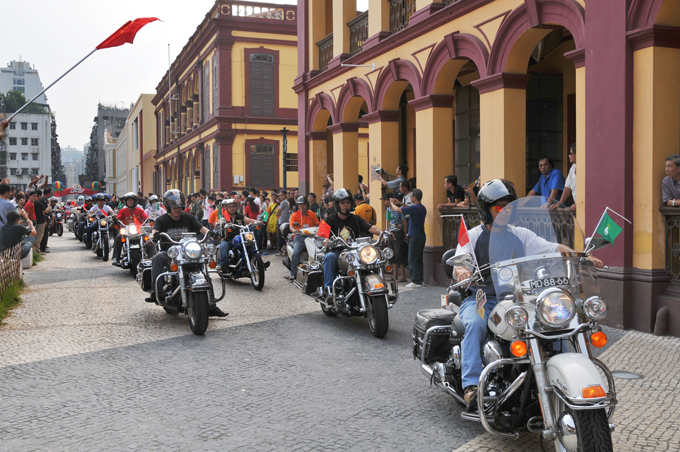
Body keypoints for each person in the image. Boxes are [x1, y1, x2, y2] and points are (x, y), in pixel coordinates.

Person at [452, 179, 604, 411]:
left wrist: (580, 255)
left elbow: (553, 248)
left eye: (508, 207)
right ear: (486, 210)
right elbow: (461, 259)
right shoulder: (473, 236)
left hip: (518, 299)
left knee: (552, 323)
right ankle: (471, 385)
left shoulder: (520, 234)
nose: (504, 212)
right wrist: (462, 269)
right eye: (498, 207)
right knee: (475, 324)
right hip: (482, 299)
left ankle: (560, 374)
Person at [146, 190, 227, 317]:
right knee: (157, 258)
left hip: (188, 252)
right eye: (174, 207)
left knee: (204, 271)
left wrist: (211, 234)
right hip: (170, 253)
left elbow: (202, 228)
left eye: (179, 207)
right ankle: (157, 291)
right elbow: (154, 230)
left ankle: (211, 305)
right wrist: (153, 235)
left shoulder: (188, 218)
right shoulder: (162, 220)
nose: (178, 210)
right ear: (168, 207)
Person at [321, 189, 382, 296]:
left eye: (348, 203)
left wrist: (383, 233)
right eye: (343, 203)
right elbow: (321, 235)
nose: (346, 205)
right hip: (338, 253)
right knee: (329, 257)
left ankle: (379, 286)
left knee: (374, 257)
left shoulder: (356, 219)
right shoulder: (330, 219)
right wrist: (325, 240)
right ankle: (329, 290)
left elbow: (370, 227)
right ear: (337, 204)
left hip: (356, 252)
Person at [390, 188, 427, 288]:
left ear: (414, 197)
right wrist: (401, 203)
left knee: (412, 259)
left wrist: (392, 204)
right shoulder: (421, 208)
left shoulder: (416, 208)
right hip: (420, 236)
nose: (410, 197)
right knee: (418, 259)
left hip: (415, 236)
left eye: (411, 196)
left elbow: (398, 210)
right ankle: (420, 280)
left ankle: (415, 281)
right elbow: (408, 207)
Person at [216, 198, 261, 273]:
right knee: (223, 247)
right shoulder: (224, 218)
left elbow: (249, 220)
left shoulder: (241, 216)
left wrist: (258, 222)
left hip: (241, 237)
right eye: (230, 207)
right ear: (226, 208)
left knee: (251, 244)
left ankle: (259, 263)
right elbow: (218, 224)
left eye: (233, 206)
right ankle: (224, 266)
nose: (232, 208)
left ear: (236, 207)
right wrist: (220, 224)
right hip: (228, 238)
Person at [285, 196, 320, 280]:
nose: (302, 207)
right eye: (300, 205)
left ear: (307, 205)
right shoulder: (294, 215)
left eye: (304, 205)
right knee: (296, 252)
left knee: (318, 251)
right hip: (299, 236)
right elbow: (291, 226)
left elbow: (318, 224)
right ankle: (293, 274)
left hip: (312, 236)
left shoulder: (312, 214)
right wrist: (294, 231)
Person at [112, 193, 149, 266]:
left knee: (149, 238)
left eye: (131, 200)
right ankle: (115, 257)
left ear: (135, 201)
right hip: (126, 231)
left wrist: (149, 220)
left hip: (139, 230)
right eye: (128, 200)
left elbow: (146, 217)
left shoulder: (140, 210)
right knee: (118, 237)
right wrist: (115, 219)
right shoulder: (123, 211)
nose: (129, 201)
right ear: (125, 202)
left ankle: (152, 256)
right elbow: (118, 217)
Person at [382, 193, 407, 282]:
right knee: (392, 253)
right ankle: (395, 274)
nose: (384, 202)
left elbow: (404, 222)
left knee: (399, 253)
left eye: (385, 200)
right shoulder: (388, 209)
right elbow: (390, 222)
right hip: (391, 232)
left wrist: (405, 233)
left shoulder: (398, 209)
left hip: (398, 232)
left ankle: (402, 275)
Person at [553, 143, 577, 211]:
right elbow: (567, 187)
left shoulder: (586, 168)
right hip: (577, 207)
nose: (569, 156)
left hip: (586, 206)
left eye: (571, 153)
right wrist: (559, 204)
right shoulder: (573, 167)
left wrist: (581, 204)